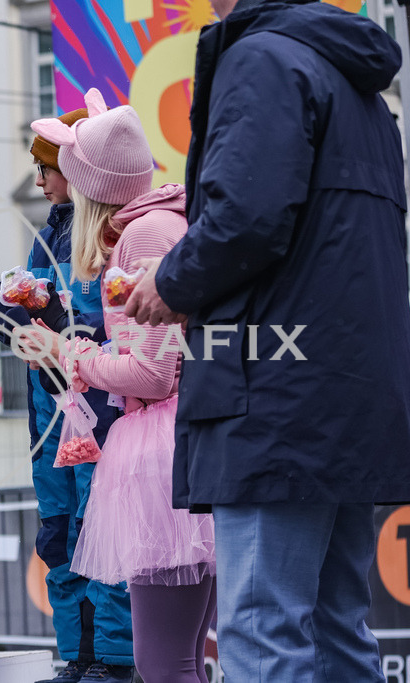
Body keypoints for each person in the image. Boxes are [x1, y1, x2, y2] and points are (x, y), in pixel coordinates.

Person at [122, 1, 410, 680]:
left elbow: (245, 218)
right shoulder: (354, 80)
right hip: (345, 391)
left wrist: (172, 282)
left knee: (261, 626)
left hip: (272, 398)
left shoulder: (260, 60)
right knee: (338, 625)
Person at [23, 91, 216, 683]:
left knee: (165, 665)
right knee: (184, 657)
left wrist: (67, 353)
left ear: (92, 184)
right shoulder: (157, 225)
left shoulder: (144, 235)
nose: (50, 187)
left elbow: (153, 374)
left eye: (65, 174)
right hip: (178, 441)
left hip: (164, 447)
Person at [0, 105, 135, 683]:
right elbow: (27, 295)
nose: (39, 180)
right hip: (48, 416)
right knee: (57, 532)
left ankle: (116, 659)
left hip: (97, 412)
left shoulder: (112, 230)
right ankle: (78, 652)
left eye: (46, 168)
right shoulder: (51, 231)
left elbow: (108, 317)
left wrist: (52, 314)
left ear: (77, 165)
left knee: (103, 531)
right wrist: (1, 298)